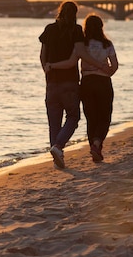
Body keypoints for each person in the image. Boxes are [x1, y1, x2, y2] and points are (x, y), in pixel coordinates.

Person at [39, 2, 108, 169]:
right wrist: (100, 65)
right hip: (69, 83)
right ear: (75, 14)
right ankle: (58, 147)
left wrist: (48, 71)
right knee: (73, 117)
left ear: (60, 12)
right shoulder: (76, 31)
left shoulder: (49, 29)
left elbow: (42, 56)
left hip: (51, 83)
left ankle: (57, 156)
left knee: (54, 122)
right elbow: (80, 54)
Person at [47, 14, 118, 163]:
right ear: (101, 27)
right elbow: (114, 66)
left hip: (86, 82)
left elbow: (71, 62)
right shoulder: (107, 44)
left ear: (85, 27)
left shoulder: (82, 45)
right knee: (104, 116)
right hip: (103, 82)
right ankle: (97, 144)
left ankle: (93, 146)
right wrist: (106, 71)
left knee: (90, 117)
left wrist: (52, 66)